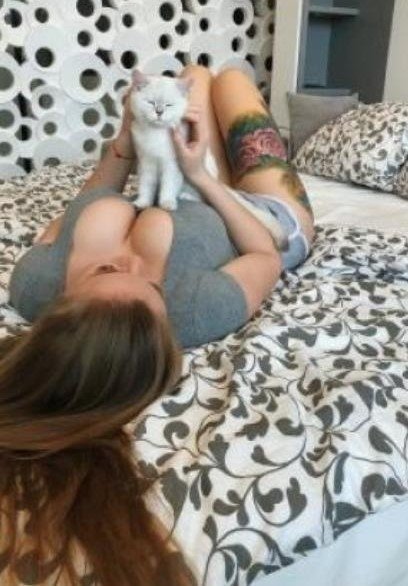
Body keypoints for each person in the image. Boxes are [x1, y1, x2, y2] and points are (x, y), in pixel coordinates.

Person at [0, 65, 314, 586]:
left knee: (192, 77)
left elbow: (85, 205)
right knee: (232, 81)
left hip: (181, 179)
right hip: (259, 215)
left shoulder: (35, 283)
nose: (128, 263)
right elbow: (266, 254)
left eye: (103, 271)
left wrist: (123, 145)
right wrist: (201, 177)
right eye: (149, 284)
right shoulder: (196, 309)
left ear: (62, 304)